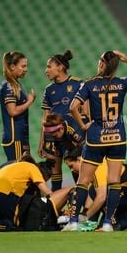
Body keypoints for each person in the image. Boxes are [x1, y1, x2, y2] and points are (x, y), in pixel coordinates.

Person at [62, 50, 127, 232]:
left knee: (83, 181)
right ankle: (108, 223)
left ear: (101, 64)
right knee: (114, 181)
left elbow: (73, 107)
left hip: (96, 139)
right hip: (117, 138)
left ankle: (74, 221)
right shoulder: (122, 83)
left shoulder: (89, 84)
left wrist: (83, 125)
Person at [0, 153, 73, 232]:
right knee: (14, 226)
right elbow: (48, 193)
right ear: (42, 174)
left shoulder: (15, 166)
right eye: (44, 179)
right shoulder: (33, 168)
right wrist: (61, 210)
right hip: (4, 193)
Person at [63, 146, 127, 231]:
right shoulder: (89, 169)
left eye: (71, 166)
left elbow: (101, 197)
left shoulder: (97, 166)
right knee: (100, 225)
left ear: (80, 160)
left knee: (103, 224)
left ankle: (92, 223)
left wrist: (84, 217)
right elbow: (91, 197)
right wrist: (84, 214)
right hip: (124, 197)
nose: (72, 170)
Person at [38, 50, 84, 191]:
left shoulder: (78, 84)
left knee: (75, 166)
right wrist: (42, 142)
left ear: (60, 67)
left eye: (49, 66)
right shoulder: (48, 90)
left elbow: (84, 112)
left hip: (71, 134)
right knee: (54, 170)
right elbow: (45, 117)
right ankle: (56, 202)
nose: (46, 71)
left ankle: (80, 196)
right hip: (51, 135)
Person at [0, 52, 35, 161]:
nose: (26, 69)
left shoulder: (16, 85)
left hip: (20, 136)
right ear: (12, 67)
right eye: (23, 66)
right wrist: (30, 102)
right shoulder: (9, 86)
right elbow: (12, 111)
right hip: (15, 137)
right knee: (18, 170)